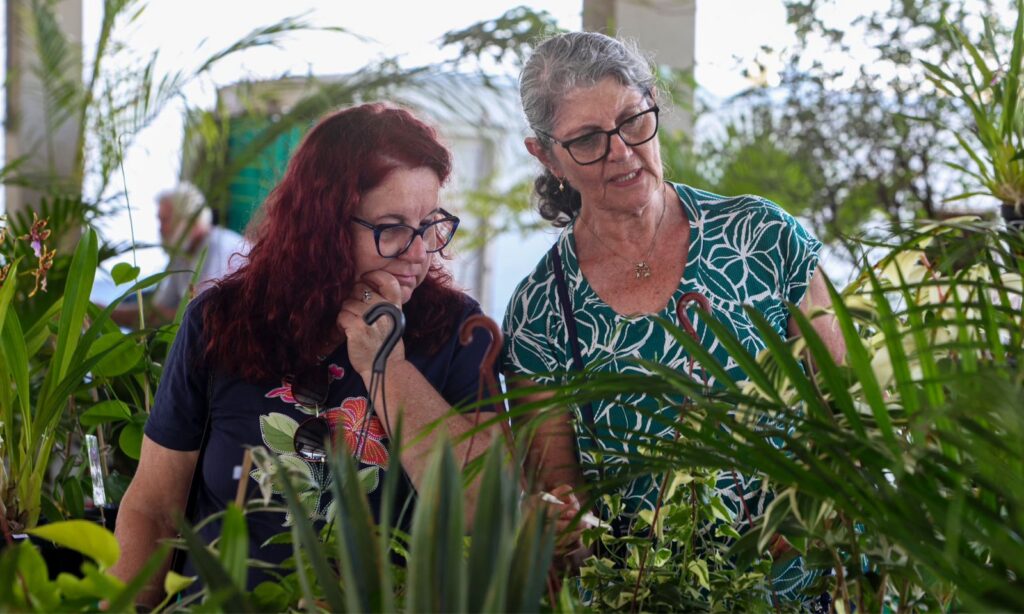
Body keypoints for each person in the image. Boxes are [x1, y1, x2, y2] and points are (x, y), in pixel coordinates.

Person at [501, 31, 845, 606]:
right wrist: (561, 529)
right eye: (587, 139)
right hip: (653, 597)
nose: (621, 151)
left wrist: (820, 506)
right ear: (547, 156)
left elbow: (849, 405)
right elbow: (562, 502)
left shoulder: (762, 237)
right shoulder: (540, 310)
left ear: (654, 103)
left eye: (633, 121)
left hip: (805, 588)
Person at [111, 103, 498, 605]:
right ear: (324, 226)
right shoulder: (223, 320)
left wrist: (386, 367)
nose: (419, 252)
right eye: (392, 227)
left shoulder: (457, 330)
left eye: (429, 225)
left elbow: (482, 508)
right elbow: (154, 506)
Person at [108, 183, 248, 326]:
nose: (160, 229)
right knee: (133, 299)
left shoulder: (217, 247)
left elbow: (202, 316)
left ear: (190, 218)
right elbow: (160, 309)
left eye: (165, 220)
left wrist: (107, 315)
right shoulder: (182, 251)